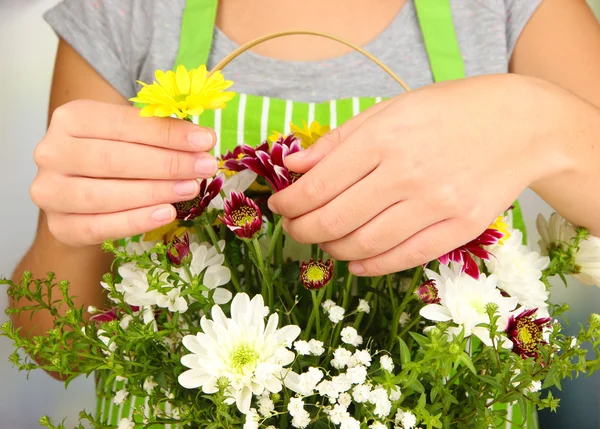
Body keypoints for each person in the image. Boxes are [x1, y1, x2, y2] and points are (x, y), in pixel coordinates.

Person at [10, 0, 600, 421]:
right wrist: (71, 224)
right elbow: (52, 346)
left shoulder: (510, 9)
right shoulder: (124, 12)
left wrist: (544, 121)